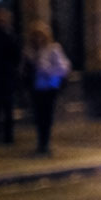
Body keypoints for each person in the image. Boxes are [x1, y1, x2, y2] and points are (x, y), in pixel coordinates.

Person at [24, 21, 70, 155]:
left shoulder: (53, 49)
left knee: (47, 114)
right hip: (35, 87)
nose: (38, 39)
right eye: (35, 36)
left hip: (50, 86)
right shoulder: (28, 51)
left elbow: (64, 67)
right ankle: (40, 142)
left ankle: (46, 142)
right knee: (38, 115)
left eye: (40, 36)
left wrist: (47, 70)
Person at [0, 9, 18, 145]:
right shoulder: (6, 35)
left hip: (6, 77)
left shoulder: (9, 35)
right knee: (2, 108)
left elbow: (15, 55)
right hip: (3, 77)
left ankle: (6, 135)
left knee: (5, 108)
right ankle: (6, 136)